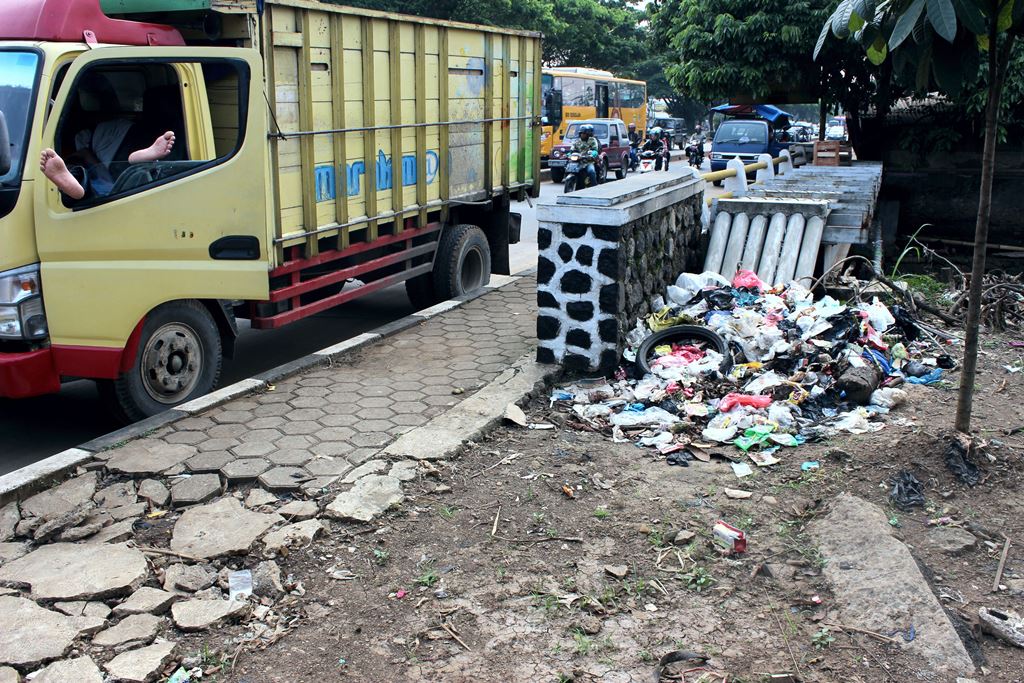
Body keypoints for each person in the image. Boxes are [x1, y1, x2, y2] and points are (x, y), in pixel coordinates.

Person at [39, 130, 176, 200]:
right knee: (125, 182)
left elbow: (86, 156)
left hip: (98, 185)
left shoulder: (83, 149)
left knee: (93, 187)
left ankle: (141, 163)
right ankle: (140, 163)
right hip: (111, 184)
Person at [571, 123, 600, 188]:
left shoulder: (592, 141)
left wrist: (592, 154)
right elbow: (572, 150)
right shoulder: (577, 141)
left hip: (588, 162)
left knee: (591, 171)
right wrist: (568, 154)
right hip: (578, 162)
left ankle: (595, 187)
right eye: (581, 133)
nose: (582, 135)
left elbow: (595, 150)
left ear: (588, 134)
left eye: (584, 133)